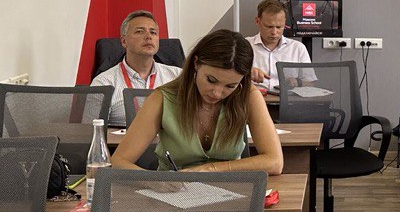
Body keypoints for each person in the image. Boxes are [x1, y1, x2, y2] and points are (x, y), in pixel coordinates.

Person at [112, 29, 283, 174]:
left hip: (228, 191)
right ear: (196, 64)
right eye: (211, 80)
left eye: (230, 86)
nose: (217, 93)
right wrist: (156, 182)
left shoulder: (248, 95)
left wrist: (211, 169)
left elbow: (275, 162)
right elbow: (119, 161)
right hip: (172, 192)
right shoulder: (162, 98)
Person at [91, 9, 182, 126]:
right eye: (140, 31)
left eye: (153, 32)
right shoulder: (104, 82)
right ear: (124, 41)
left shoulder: (178, 76)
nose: (148, 36)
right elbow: (91, 131)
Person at [246, 0, 313, 94]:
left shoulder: (298, 48)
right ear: (257, 21)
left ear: (284, 23)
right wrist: (247, 73)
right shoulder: (245, 46)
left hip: (287, 100)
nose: (274, 32)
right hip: (254, 98)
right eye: (269, 26)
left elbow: (310, 82)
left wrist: (297, 82)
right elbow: (231, 78)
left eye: (279, 27)